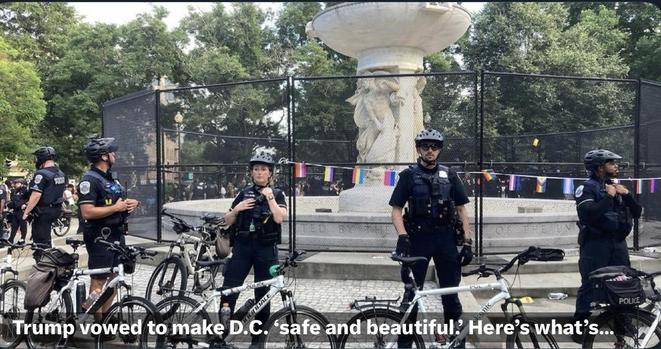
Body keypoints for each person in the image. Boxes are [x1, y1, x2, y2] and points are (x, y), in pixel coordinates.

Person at [389, 128, 473, 348]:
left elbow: (462, 210)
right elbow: (396, 210)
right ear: (418, 149)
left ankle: (456, 342)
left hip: (445, 240)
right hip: (418, 239)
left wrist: (467, 242)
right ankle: (405, 343)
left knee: (451, 296)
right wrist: (402, 237)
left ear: (439, 150)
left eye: (434, 147)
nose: (430, 151)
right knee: (411, 296)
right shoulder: (408, 176)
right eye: (425, 146)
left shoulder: (450, 175)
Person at [572, 149, 642, 340]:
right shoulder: (586, 188)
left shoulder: (617, 186)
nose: (616, 166)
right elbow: (589, 214)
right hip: (595, 244)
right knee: (589, 284)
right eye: (612, 163)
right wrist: (608, 197)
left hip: (618, 243)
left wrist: (626, 195)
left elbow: (636, 212)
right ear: (600, 168)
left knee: (623, 282)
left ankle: (622, 324)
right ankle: (580, 328)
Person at [219, 152, 287, 348]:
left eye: (263, 169)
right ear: (251, 172)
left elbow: (280, 218)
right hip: (242, 246)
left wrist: (270, 197)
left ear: (270, 173)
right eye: (256, 169)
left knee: (263, 295)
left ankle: (257, 341)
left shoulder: (278, 193)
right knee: (229, 290)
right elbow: (227, 221)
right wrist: (236, 208)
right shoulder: (243, 192)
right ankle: (222, 334)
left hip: (265, 248)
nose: (259, 172)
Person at [78, 137, 139, 319]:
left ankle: (105, 318)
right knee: (99, 279)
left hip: (116, 234)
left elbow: (115, 204)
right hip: (99, 237)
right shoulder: (89, 180)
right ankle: (98, 325)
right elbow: (87, 212)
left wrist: (128, 205)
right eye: (112, 152)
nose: (115, 155)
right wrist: (116, 208)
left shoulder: (112, 178)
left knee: (114, 278)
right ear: (104, 156)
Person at [22, 147, 66, 252]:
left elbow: (36, 195)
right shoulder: (60, 173)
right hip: (56, 209)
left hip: (44, 211)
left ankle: (44, 262)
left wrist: (26, 212)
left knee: (40, 241)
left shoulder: (41, 174)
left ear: (41, 158)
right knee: (46, 238)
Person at [7, 179, 28, 243]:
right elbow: (12, 200)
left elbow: (30, 199)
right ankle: (11, 239)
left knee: (23, 226)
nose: (15, 184)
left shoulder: (26, 191)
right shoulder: (14, 191)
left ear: (22, 184)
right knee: (14, 226)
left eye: (17, 183)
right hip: (15, 210)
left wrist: (25, 204)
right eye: (15, 183)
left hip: (22, 211)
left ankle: (23, 239)